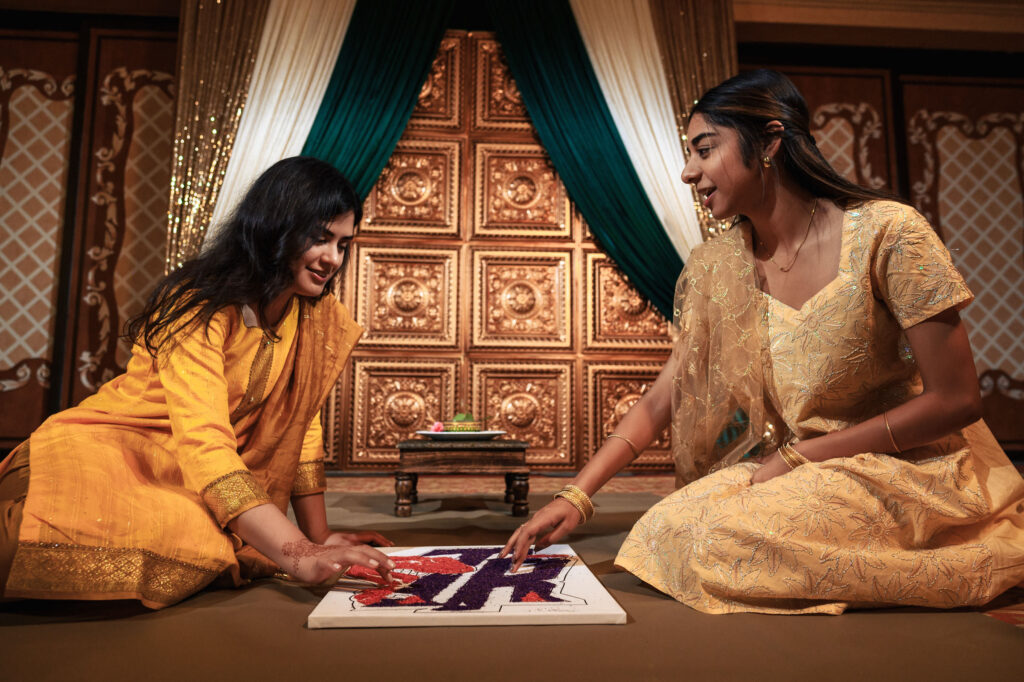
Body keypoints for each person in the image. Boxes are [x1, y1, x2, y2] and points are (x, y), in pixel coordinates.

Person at [501, 69, 1024, 614]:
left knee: (725, 541)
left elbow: (957, 400)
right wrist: (576, 497)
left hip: (908, 464)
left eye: (705, 149)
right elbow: (664, 397)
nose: (687, 172)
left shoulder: (889, 232)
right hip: (804, 466)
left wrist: (803, 455)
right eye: (689, 154)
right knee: (663, 528)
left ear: (770, 141)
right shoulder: (721, 267)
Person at [0, 157, 397, 609]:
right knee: (86, 535)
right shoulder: (200, 305)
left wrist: (318, 533)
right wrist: (300, 554)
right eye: (320, 238)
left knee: (199, 533)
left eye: (343, 244)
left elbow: (300, 422)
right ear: (276, 228)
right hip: (114, 449)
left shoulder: (318, 316)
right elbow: (204, 440)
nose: (332, 258)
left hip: (187, 475)